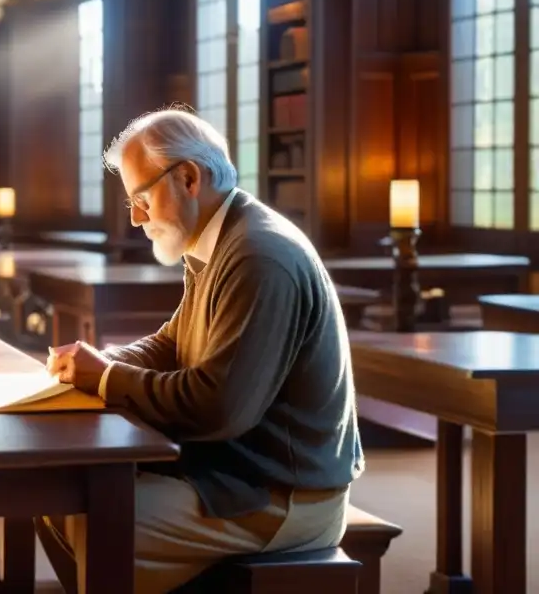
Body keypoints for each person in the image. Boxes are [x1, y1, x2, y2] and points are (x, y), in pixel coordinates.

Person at [42, 107, 364, 594]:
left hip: (284, 493)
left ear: (188, 178)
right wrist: (100, 361)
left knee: (94, 514)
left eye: (141, 198)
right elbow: (172, 343)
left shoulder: (259, 256)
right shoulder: (220, 239)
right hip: (242, 470)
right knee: (62, 489)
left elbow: (219, 406)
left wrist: (105, 379)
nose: (135, 218)